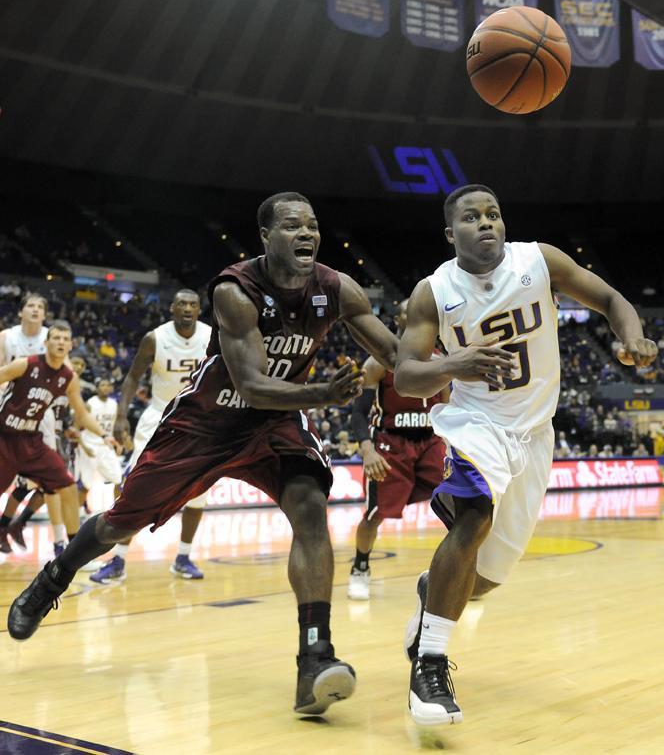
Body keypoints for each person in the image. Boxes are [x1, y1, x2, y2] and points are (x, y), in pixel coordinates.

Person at [7, 192, 398, 718]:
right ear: (266, 236)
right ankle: (54, 577)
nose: (306, 234)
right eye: (291, 226)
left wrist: (459, 366)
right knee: (121, 523)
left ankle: (314, 658)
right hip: (204, 424)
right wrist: (321, 395)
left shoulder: (335, 287)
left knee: (310, 509)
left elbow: (397, 356)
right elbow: (255, 385)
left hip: (276, 422)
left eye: (312, 225)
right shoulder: (235, 291)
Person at [392, 184, 657, 726]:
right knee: (473, 517)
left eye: (493, 213)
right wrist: (453, 365)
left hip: (535, 434)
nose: (486, 222)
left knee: (484, 577)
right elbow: (406, 375)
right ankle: (431, 666)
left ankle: (431, 590)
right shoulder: (434, 291)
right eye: (471, 216)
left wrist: (633, 338)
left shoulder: (538, 260)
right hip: (477, 425)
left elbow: (610, 300)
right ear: (451, 234)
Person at [90, 290, 212, 583]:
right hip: (159, 415)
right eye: (181, 303)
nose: (187, 308)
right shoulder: (155, 338)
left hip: (199, 420)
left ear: (198, 310)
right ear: (172, 308)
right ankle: (117, 560)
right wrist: (121, 415)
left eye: (193, 304)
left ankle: (183, 557)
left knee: (199, 493)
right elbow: (132, 377)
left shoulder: (212, 336)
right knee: (131, 485)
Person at [347, 299, 449, 600]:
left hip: (430, 441)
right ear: (398, 320)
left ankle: (459, 572)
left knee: (461, 503)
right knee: (375, 514)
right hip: (391, 444)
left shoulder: (441, 359)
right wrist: (367, 451)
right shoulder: (377, 362)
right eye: (411, 311)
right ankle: (360, 568)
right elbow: (358, 413)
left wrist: (452, 446)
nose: (419, 315)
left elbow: (447, 407)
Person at [0, 321, 117, 556]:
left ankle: (72, 553)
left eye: (65, 339)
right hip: (4, 438)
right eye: (56, 338)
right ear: (46, 343)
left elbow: (82, 414)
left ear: (71, 345)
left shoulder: (68, 377)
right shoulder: (26, 364)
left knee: (68, 486)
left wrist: (105, 435)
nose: (61, 342)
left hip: (31, 440)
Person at [0, 294, 70, 555]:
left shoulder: (52, 338)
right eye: (30, 305)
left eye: (40, 306)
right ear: (20, 312)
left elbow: (65, 379)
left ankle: (59, 542)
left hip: (44, 416)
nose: (35, 309)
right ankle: (7, 525)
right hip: (9, 414)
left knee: (52, 481)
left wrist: (61, 422)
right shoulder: (7, 337)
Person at [75, 377, 124, 513]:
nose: (106, 387)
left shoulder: (114, 404)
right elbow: (77, 427)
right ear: (97, 388)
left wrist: (118, 443)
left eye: (108, 385)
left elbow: (114, 427)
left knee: (118, 480)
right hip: (89, 445)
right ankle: (76, 516)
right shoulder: (90, 404)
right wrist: (83, 446)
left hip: (106, 446)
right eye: (102, 385)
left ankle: (117, 512)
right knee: (85, 485)